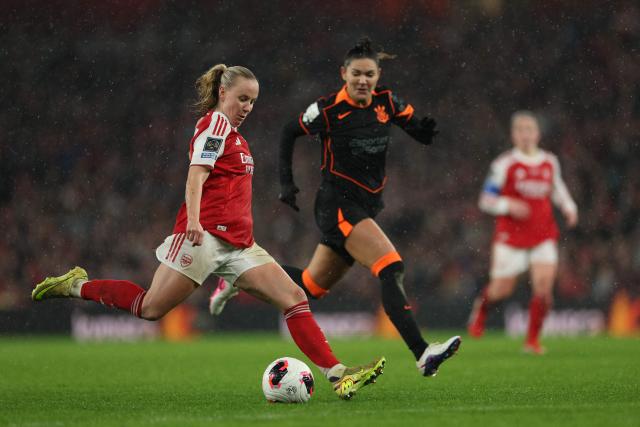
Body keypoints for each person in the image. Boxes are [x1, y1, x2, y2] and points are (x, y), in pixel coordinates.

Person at [32, 63, 385, 400]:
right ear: (222, 92)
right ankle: (77, 284)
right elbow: (196, 174)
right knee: (150, 307)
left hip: (240, 245)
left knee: (294, 297)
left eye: (253, 101)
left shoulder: (237, 139)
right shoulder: (215, 124)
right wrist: (194, 223)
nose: (247, 107)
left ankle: (338, 375)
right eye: (242, 98)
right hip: (205, 238)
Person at [209, 38, 461, 377]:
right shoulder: (327, 109)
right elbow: (288, 131)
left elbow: (410, 121)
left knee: (311, 287)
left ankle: (239, 278)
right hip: (338, 205)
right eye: (356, 73)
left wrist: (422, 132)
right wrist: (287, 182)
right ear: (344, 74)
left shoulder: (386, 101)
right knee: (391, 266)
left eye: (369, 74)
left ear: (378, 75)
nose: (363, 80)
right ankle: (422, 352)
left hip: (364, 207)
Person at [467, 110, 578, 354]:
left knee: (544, 288)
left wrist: (569, 207)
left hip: (543, 234)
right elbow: (485, 200)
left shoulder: (550, 161)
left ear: (538, 134)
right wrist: (508, 205)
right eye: (521, 130)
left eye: (530, 129)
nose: (526, 134)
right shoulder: (503, 164)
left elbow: (557, 188)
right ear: (513, 135)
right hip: (511, 238)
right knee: (501, 290)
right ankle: (482, 307)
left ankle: (532, 341)